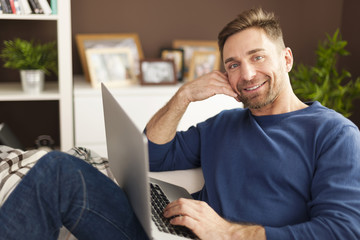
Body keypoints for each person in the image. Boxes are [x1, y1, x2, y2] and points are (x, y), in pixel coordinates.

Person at [0, 7, 359, 240]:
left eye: (257, 57)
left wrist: (228, 232)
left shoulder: (334, 134)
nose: (246, 73)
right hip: (179, 232)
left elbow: (342, 229)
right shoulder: (224, 124)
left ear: (287, 59)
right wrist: (183, 96)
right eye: (232, 64)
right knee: (56, 169)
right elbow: (152, 157)